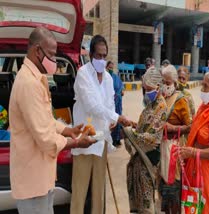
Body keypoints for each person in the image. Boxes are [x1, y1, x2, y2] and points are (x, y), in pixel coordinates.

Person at [9, 26, 95, 214]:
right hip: (33, 180)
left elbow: (45, 118)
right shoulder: (28, 84)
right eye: (52, 55)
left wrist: (67, 130)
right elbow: (45, 138)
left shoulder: (36, 78)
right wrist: (76, 142)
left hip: (41, 177)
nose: (55, 61)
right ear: (37, 50)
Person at [70, 35, 130, 214]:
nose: (102, 60)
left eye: (104, 56)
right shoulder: (83, 74)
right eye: (98, 56)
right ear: (90, 55)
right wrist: (116, 117)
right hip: (84, 139)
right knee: (79, 191)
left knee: (99, 190)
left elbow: (110, 103)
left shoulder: (109, 78)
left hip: (101, 139)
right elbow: (92, 105)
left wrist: (112, 121)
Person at [179, 72, 209, 213]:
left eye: (205, 86)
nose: (202, 89)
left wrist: (192, 152)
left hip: (205, 173)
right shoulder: (203, 108)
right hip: (192, 168)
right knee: (190, 208)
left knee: (203, 209)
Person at [125, 67, 167, 213]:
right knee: (139, 205)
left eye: (148, 89)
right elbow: (145, 127)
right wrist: (134, 126)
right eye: (144, 88)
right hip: (139, 161)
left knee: (147, 205)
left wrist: (130, 134)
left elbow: (153, 138)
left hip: (148, 162)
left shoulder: (161, 107)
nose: (146, 92)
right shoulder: (150, 105)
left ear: (157, 87)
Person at [158, 65, 191, 214]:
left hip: (175, 147)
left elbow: (190, 126)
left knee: (174, 183)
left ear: (175, 82)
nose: (165, 86)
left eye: (168, 83)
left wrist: (173, 128)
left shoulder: (181, 100)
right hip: (162, 145)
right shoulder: (161, 98)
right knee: (163, 182)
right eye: (164, 82)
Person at [107, 61, 124, 147]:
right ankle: (110, 140)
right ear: (106, 68)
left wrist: (122, 91)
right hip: (109, 104)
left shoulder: (116, 77)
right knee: (110, 122)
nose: (111, 69)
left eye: (112, 68)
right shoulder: (105, 78)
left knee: (118, 121)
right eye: (109, 68)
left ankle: (117, 139)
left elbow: (121, 86)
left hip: (118, 104)